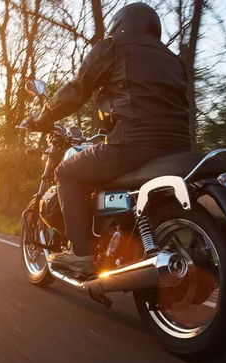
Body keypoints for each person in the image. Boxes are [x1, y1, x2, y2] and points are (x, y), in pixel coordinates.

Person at [27, 2, 192, 274]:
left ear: (120, 23)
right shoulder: (174, 60)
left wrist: (43, 117)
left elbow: (78, 90)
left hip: (132, 143)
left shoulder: (113, 47)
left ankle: (81, 254)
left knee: (67, 172)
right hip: (176, 149)